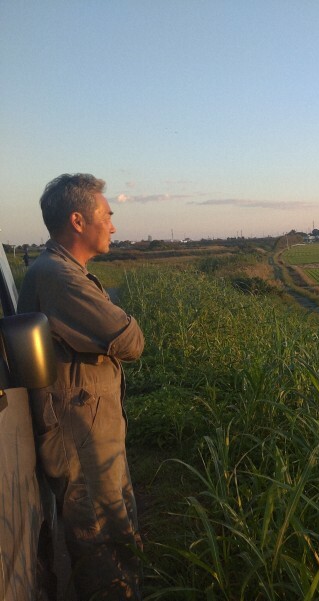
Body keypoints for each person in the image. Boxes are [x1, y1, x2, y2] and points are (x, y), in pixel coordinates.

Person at [19, 174, 145, 600]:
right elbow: (130, 340)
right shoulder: (60, 277)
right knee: (105, 548)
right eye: (107, 216)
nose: (113, 226)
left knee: (118, 535)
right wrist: (116, 315)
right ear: (78, 220)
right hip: (80, 438)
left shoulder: (62, 271)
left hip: (91, 432)